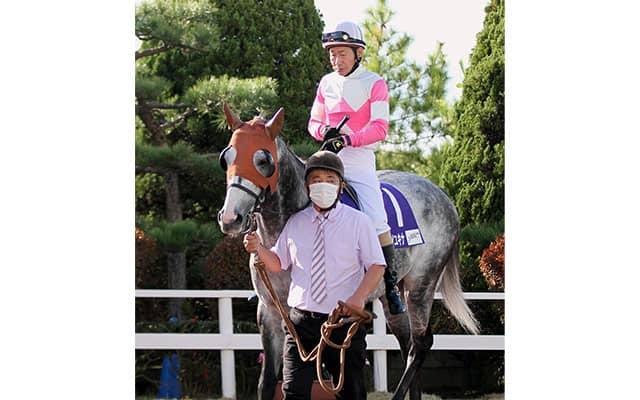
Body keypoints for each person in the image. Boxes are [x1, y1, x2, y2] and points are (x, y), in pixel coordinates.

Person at [243, 151, 385, 400]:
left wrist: (359, 297)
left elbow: (376, 265)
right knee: (293, 392)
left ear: (341, 187)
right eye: (316, 180)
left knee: (351, 393)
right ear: (307, 186)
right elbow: (278, 263)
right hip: (300, 324)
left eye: (330, 180)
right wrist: (259, 249)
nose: (323, 185)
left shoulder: (359, 222)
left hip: (342, 322)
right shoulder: (296, 222)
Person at [307, 21, 406, 314]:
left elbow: (380, 128)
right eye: (332, 54)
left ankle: (390, 284)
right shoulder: (326, 83)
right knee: (292, 202)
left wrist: (348, 139)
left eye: (342, 54)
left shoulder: (375, 83)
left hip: (359, 160)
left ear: (358, 53)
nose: (336, 60)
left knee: (376, 219)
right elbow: (313, 122)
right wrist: (324, 131)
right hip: (327, 157)